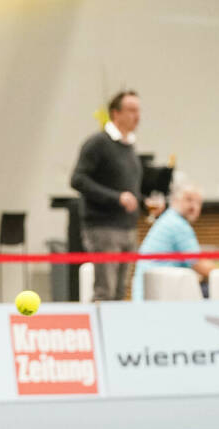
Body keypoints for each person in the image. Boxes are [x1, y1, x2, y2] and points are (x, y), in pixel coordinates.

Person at [71, 90, 143, 301]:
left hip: (128, 227)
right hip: (103, 227)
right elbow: (78, 179)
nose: (137, 116)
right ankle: (99, 331)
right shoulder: (98, 143)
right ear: (116, 113)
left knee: (120, 292)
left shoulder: (129, 146)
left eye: (138, 110)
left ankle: (116, 332)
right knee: (105, 290)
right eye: (131, 110)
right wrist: (116, 198)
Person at [130, 184, 216, 301]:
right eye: (189, 199)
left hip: (153, 292)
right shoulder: (177, 224)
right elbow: (199, 264)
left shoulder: (170, 219)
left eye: (198, 202)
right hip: (157, 296)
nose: (193, 206)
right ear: (175, 200)